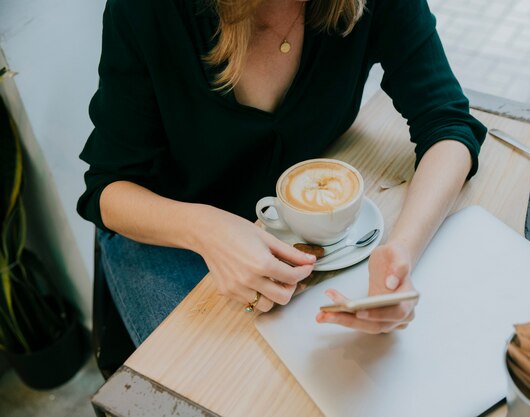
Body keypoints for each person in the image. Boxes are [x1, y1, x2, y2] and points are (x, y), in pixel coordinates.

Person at [78, 0, 486, 346]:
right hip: (168, 234)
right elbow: (107, 187)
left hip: (293, 234)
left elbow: (447, 124)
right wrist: (207, 229)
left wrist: (402, 254)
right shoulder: (148, 10)